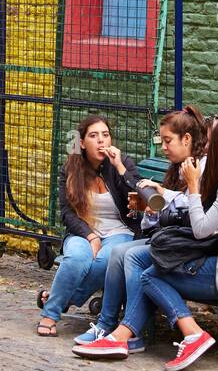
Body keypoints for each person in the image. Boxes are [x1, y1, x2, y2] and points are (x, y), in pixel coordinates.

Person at [79, 112, 218, 371]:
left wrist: (193, 187)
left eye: (208, 138)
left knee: (150, 275)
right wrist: (167, 196)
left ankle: (190, 334)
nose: (204, 144)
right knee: (137, 259)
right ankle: (121, 336)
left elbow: (202, 229)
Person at [72, 104, 209, 355]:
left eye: (168, 141)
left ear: (187, 139)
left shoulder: (199, 168)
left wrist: (162, 195)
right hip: (173, 240)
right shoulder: (178, 167)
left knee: (131, 255)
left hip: (189, 246)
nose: (163, 147)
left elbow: (194, 213)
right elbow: (165, 216)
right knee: (118, 253)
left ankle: (131, 332)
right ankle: (106, 324)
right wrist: (151, 212)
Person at [36, 115, 140, 336]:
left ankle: (58, 301)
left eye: (105, 135)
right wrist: (91, 236)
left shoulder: (123, 163)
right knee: (76, 258)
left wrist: (119, 167)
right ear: (82, 143)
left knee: (105, 260)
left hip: (120, 232)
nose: (101, 141)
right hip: (82, 231)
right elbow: (66, 213)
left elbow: (137, 198)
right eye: (94, 136)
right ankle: (49, 316)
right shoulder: (71, 169)